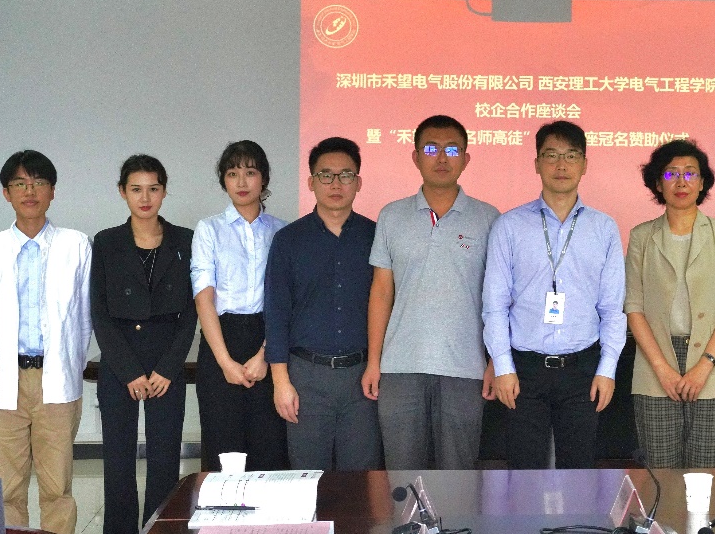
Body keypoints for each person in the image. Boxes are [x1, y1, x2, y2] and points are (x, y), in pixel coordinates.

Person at [0, 150, 91, 534]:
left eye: (38, 182)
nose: (29, 191)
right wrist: (10, 361)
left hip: (56, 380)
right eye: (19, 184)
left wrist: (67, 363)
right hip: (7, 381)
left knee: (58, 485)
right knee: (7, 487)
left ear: (52, 191)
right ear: (6, 193)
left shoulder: (76, 245)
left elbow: (83, 318)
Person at [482, 121, 626, 469]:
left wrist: (607, 369)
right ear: (537, 163)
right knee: (524, 473)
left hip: (582, 369)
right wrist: (503, 366)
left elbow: (612, 309)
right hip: (524, 369)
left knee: (579, 472)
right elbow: (494, 306)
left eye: (571, 156)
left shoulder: (604, 228)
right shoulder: (509, 226)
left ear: (584, 164)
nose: (561, 165)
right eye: (551, 155)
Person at [363, 116, 500, 470]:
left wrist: (495, 361)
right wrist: (375, 361)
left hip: (466, 369)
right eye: (431, 149)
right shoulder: (392, 216)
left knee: (458, 477)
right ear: (415, 157)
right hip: (399, 368)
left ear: (466, 159)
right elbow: (381, 292)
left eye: (452, 150)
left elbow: (499, 298)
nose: (441, 158)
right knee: (403, 476)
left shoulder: (489, 219)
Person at [90, 155, 196, 534]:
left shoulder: (185, 240)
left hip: (167, 362)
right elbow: (99, 312)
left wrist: (169, 367)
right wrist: (128, 371)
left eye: (153, 188)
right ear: (123, 192)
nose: (145, 197)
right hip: (121, 363)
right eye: (136, 189)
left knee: (165, 462)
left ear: (164, 191)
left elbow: (193, 312)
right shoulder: (107, 242)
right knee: (118, 464)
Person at [625, 139, 715, 468]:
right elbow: (633, 306)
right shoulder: (642, 236)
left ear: (702, 183)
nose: (681, 181)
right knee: (662, 472)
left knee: (703, 473)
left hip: (711, 363)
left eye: (690, 173)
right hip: (655, 363)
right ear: (657, 183)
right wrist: (662, 369)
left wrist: (705, 365)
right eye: (671, 173)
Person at [265, 136, 381, 470]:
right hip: (306, 377)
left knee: (360, 480)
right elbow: (276, 314)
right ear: (311, 182)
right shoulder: (288, 240)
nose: (336, 183)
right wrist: (281, 382)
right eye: (326, 175)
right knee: (308, 477)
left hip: (362, 379)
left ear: (358, 182)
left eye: (346, 175)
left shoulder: (376, 237)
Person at [191, 140, 288, 471]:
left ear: (264, 179)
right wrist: (225, 362)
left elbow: (284, 302)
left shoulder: (282, 232)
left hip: (268, 338)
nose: (242, 182)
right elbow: (204, 297)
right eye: (232, 174)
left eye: (250, 172)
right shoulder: (209, 229)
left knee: (269, 448)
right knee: (223, 450)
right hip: (221, 339)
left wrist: (266, 354)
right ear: (224, 181)